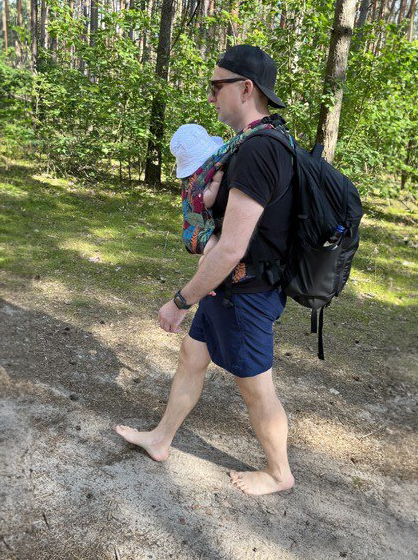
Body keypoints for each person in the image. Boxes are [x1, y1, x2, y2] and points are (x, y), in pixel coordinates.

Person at [115, 45, 295, 496]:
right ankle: (162, 439)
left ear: (246, 88)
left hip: (246, 293)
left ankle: (278, 473)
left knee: (257, 390)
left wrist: (179, 301)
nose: (211, 96)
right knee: (192, 358)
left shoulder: (257, 152)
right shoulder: (258, 141)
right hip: (228, 291)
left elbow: (231, 247)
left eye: (217, 86)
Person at [169, 123, 225, 258]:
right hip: (198, 234)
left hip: (201, 228)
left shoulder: (193, 179)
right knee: (215, 252)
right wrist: (216, 182)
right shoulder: (195, 185)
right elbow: (207, 200)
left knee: (209, 257)